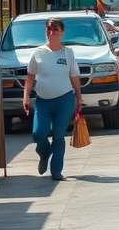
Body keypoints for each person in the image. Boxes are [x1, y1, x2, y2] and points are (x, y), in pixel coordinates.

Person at [23, 18, 82, 179]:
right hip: (43, 101)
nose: (51, 32)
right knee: (38, 133)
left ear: (62, 33)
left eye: (55, 29)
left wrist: (79, 97)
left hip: (64, 100)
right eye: (48, 29)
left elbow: (74, 76)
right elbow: (30, 77)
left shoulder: (68, 53)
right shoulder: (38, 53)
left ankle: (56, 171)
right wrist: (26, 97)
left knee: (58, 134)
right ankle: (44, 152)